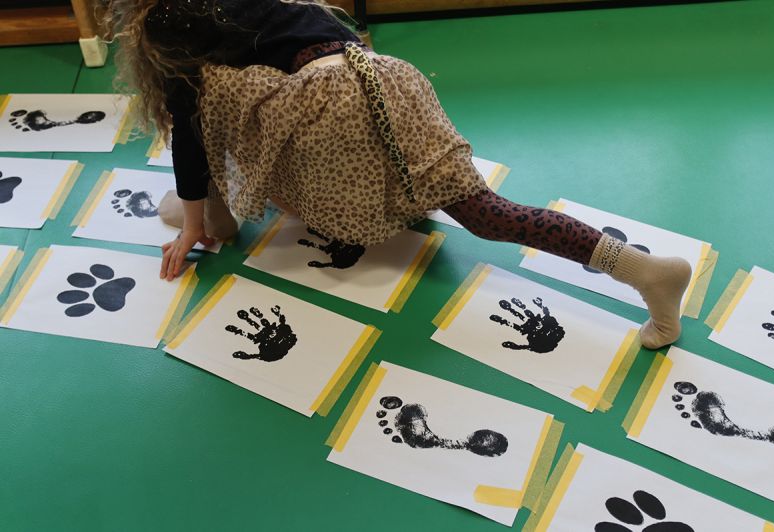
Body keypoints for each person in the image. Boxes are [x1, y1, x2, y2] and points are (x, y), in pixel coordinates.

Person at [105, 0, 691, 349]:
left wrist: (190, 223)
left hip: (327, 104)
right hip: (385, 78)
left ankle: (210, 215)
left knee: (214, 96)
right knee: (487, 213)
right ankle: (644, 270)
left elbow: (190, 128)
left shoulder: (167, 20)